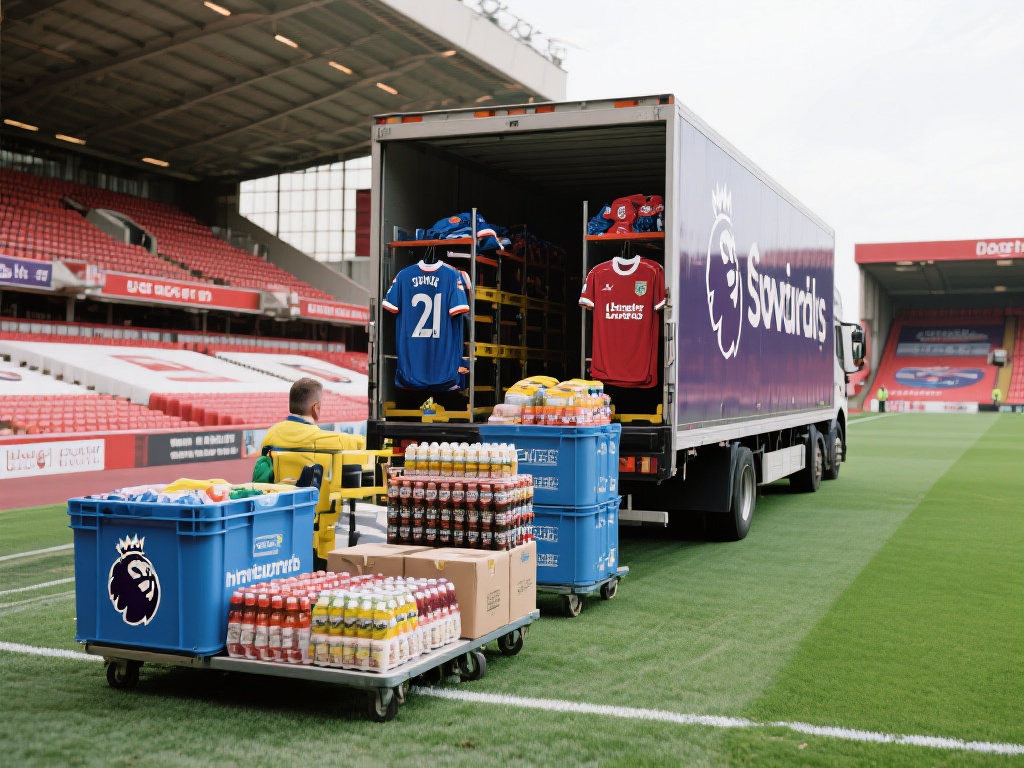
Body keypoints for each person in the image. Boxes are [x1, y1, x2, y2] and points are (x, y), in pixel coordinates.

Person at [260, 378, 366, 568]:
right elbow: (363, 447)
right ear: (315, 408)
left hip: (280, 530)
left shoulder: (270, 436)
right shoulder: (336, 441)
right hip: (320, 539)